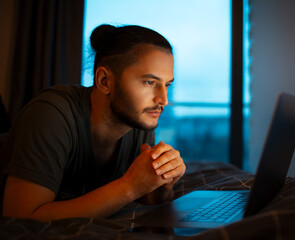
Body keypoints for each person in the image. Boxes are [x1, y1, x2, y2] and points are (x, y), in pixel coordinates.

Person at [0, 24, 186, 222]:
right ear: (105, 81)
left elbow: (147, 198)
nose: (163, 100)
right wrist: (128, 187)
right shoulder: (51, 113)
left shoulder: (138, 120)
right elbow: (19, 218)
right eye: (149, 82)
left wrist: (164, 183)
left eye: (167, 84)